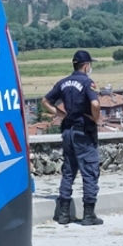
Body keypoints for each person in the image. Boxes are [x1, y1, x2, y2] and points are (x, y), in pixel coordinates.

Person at [42, 50, 103, 227]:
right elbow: (95, 103)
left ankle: (63, 214)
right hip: (84, 132)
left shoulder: (63, 83)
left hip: (68, 130)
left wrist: (60, 113)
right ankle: (89, 214)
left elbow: (45, 101)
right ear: (86, 65)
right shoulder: (87, 83)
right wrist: (96, 118)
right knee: (90, 171)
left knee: (68, 171)